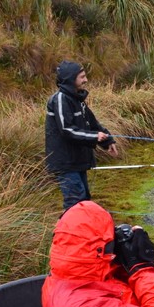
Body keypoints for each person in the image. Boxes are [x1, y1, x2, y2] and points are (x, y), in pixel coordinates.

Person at [45, 60, 120, 210]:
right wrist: (94, 137)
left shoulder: (77, 98)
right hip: (65, 162)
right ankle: (67, 232)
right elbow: (66, 129)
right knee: (75, 202)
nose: (85, 80)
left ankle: (82, 232)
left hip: (78, 159)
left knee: (84, 199)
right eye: (82, 77)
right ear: (70, 79)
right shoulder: (60, 99)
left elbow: (91, 123)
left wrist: (107, 141)